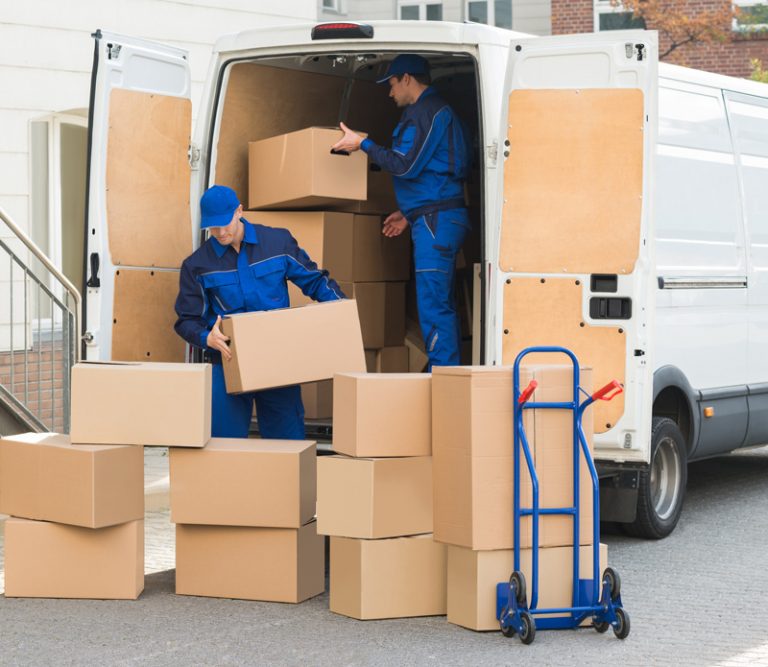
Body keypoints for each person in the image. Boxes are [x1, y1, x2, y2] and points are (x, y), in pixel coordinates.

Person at [331, 53, 470, 370]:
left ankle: (443, 377)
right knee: (440, 301)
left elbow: (404, 165)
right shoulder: (438, 112)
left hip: (436, 222)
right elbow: (437, 171)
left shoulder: (425, 113)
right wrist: (408, 213)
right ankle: (446, 371)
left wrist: (362, 144)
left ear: (407, 78)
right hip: (435, 216)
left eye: (392, 83)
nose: (390, 92)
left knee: (433, 304)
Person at [174, 185, 345, 439]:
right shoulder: (197, 265)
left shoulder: (278, 242)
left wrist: (341, 310)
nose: (220, 233)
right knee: (223, 443)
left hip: (277, 359)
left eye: (225, 224)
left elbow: (315, 281)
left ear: (239, 211)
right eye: (213, 227)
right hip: (228, 360)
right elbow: (187, 320)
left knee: (286, 443)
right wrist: (205, 338)